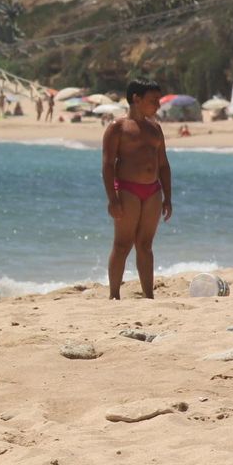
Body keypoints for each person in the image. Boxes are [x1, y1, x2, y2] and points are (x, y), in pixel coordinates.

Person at [102, 79, 173, 300]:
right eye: (153, 100)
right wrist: (112, 199)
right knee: (122, 245)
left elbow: (163, 164)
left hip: (153, 191)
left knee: (145, 245)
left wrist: (168, 197)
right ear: (136, 99)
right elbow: (107, 165)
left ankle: (148, 295)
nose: (158, 105)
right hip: (127, 190)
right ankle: (114, 295)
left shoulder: (155, 128)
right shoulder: (118, 128)